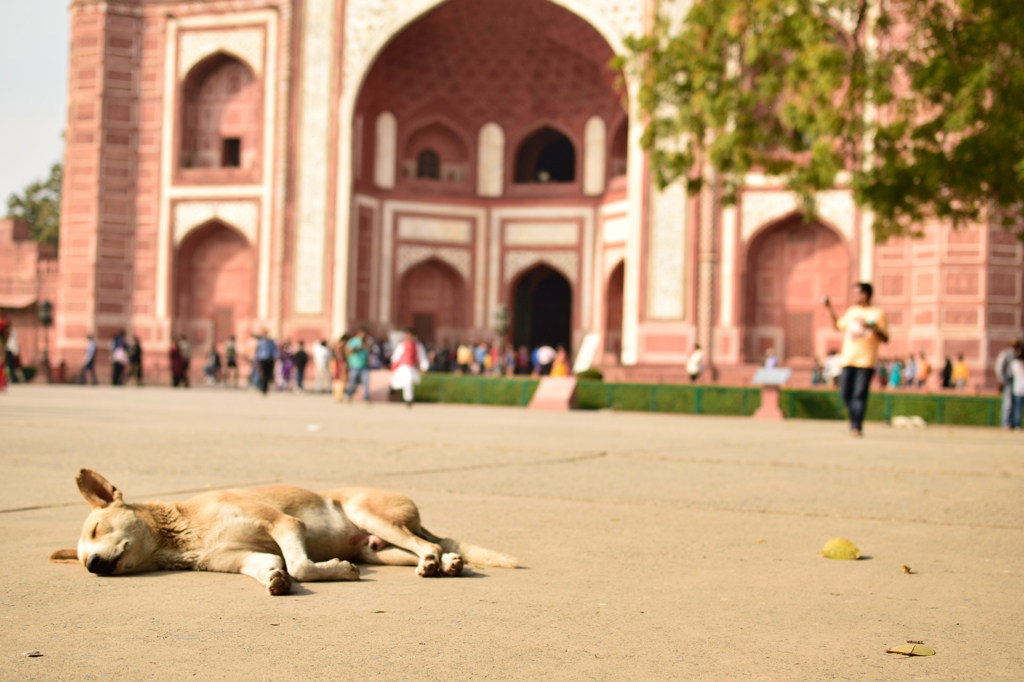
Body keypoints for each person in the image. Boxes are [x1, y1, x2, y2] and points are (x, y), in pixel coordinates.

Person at [825, 282, 889, 437]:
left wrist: (872, 327)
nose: (853, 296)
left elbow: (885, 338)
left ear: (865, 294)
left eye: (856, 293)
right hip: (848, 359)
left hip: (866, 361)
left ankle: (856, 426)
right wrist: (829, 308)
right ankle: (855, 420)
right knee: (845, 393)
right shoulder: (852, 311)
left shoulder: (877, 313)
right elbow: (838, 326)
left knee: (859, 394)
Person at [390, 329, 429, 406]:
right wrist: (393, 363)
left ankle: (408, 398)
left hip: (412, 367)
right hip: (402, 366)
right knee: (404, 380)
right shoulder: (402, 344)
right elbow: (396, 355)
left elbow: (422, 356)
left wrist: (424, 366)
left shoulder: (418, 345)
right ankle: (406, 396)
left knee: (409, 381)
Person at [994, 338, 1022, 428]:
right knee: (1008, 402)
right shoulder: (1006, 354)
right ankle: (1006, 422)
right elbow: (999, 368)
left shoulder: (1018, 354)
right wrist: (1001, 380)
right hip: (1008, 380)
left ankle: (1014, 422)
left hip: (1018, 380)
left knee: (1016, 402)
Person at [344, 327, 371, 403]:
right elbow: (349, 351)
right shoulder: (353, 341)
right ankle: (348, 395)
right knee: (353, 381)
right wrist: (359, 347)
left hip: (364, 365)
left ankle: (366, 398)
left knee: (366, 382)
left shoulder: (367, 341)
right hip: (355, 365)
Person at [253, 332, 278, 396]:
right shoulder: (261, 342)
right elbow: (258, 351)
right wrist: (256, 359)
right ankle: (262, 387)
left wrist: (276, 356)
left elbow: (274, 350)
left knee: (268, 375)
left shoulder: (271, 342)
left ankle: (266, 388)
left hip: (269, 360)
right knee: (262, 374)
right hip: (262, 360)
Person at [1010, 346, 1024, 430]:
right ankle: (1017, 424)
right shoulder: (1016, 363)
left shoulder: (1014, 363)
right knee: (1018, 408)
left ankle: (1017, 425)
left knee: (1017, 408)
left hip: (1018, 388)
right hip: (1019, 388)